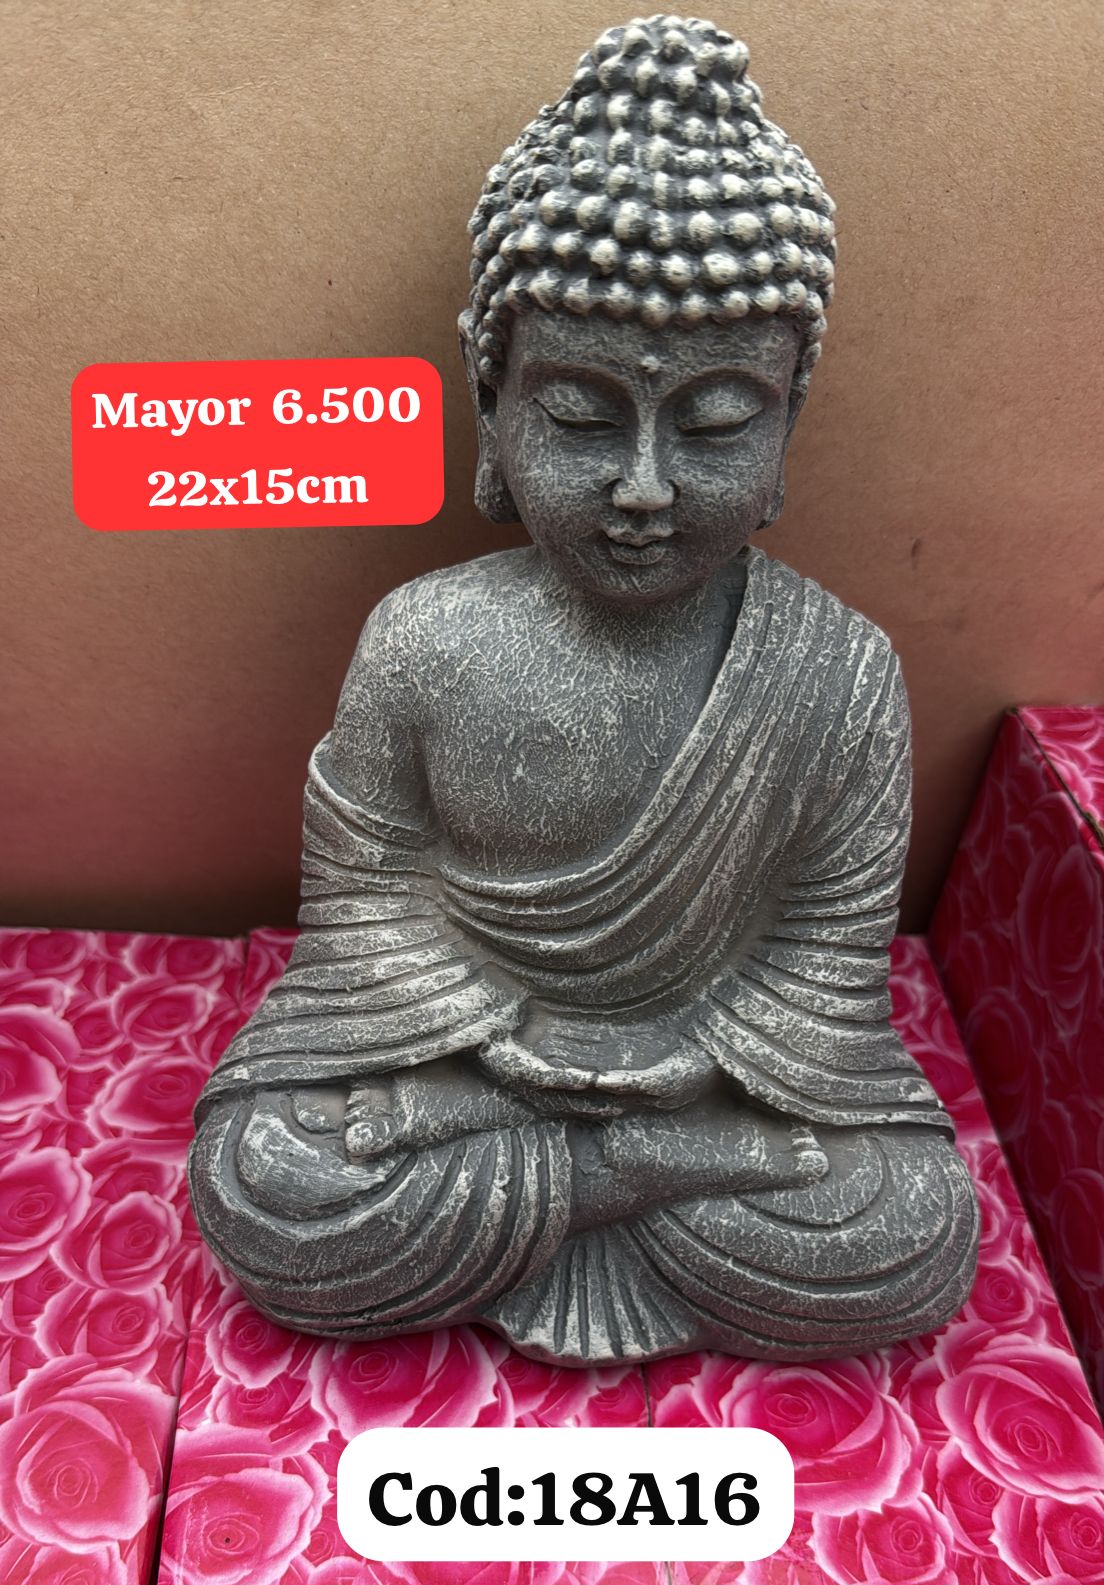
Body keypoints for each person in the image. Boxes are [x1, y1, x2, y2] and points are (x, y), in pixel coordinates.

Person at [189, 15, 978, 1365]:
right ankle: (642, 1176)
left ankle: (605, 1177)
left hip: (698, 1079)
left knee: (908, 1226)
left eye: (718, 423)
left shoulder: (841, 669)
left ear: (789, 425)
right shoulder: (422, 638)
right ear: (492, 409)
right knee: (273, 1186)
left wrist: (696, 1061)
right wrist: (497, 1043)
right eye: (578, 417)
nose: (646, 486)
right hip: (473, 1062)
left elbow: (825, 960)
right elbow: (367, 902)